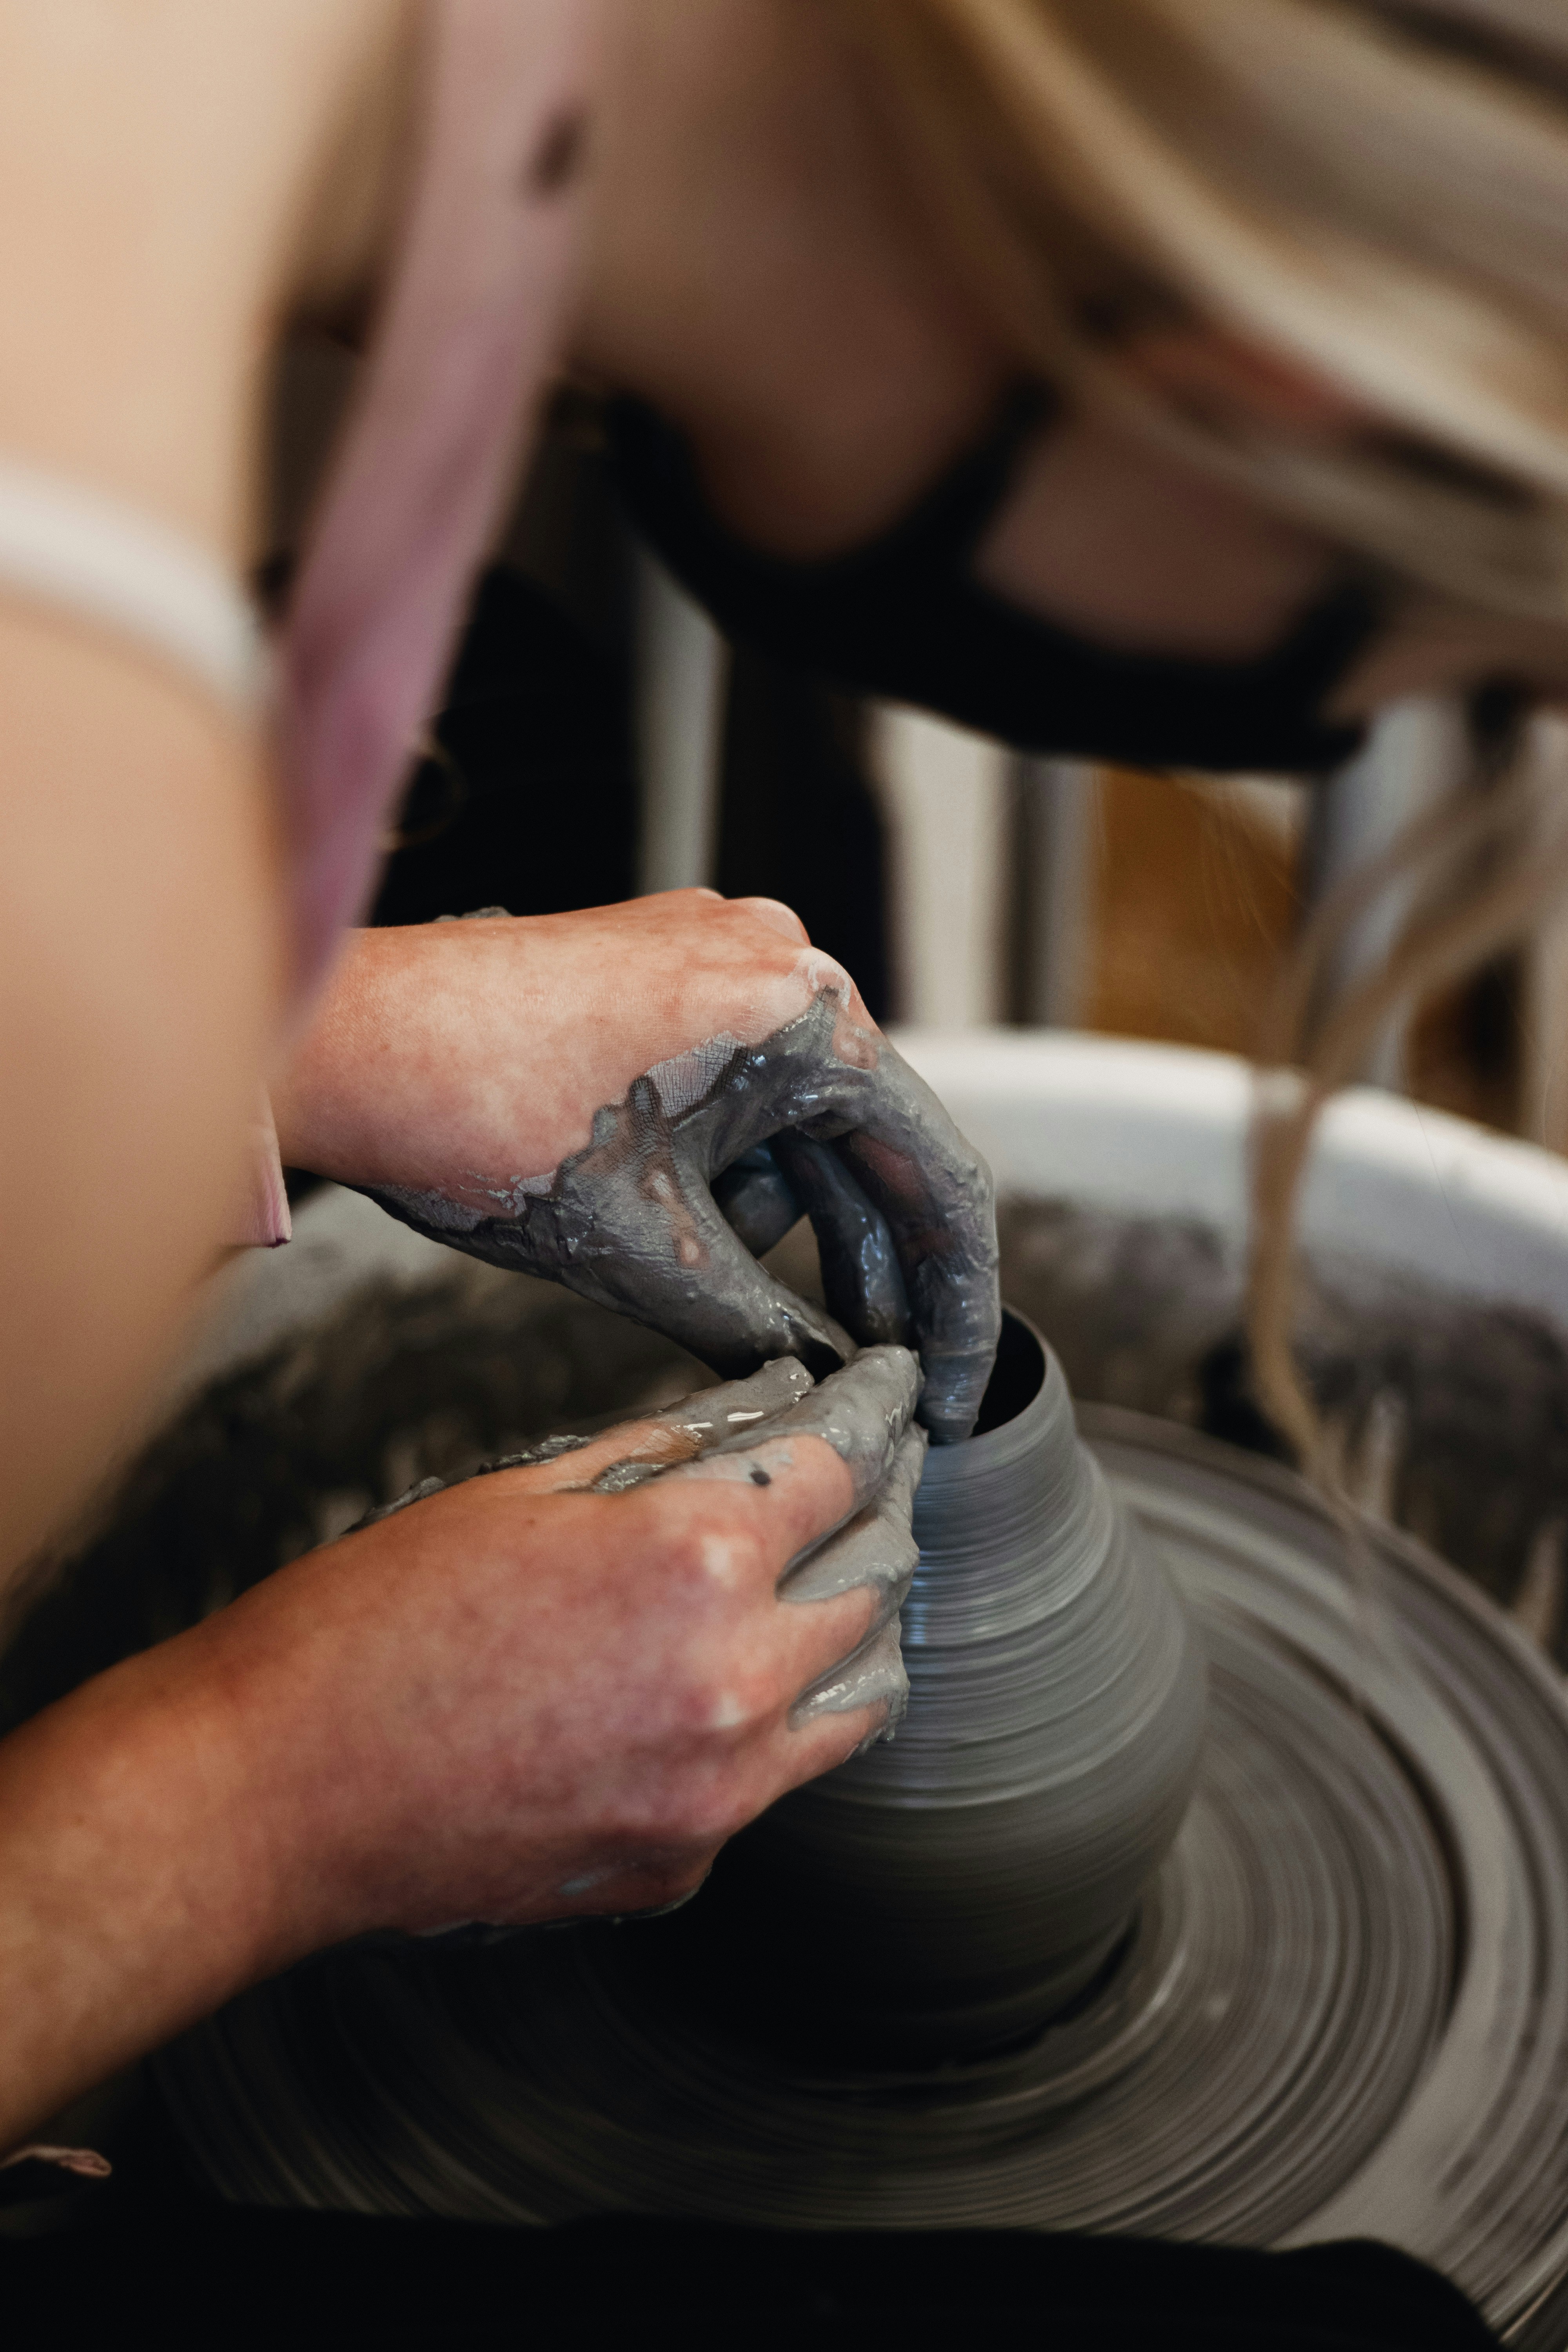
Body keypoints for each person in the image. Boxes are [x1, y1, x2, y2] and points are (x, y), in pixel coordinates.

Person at [0, 0, 1561, 2264]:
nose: (1360, 724)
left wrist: (315, 1036)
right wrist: (262, 1794)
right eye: (1424, 667)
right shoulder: (72, 742)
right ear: (1258, 406)